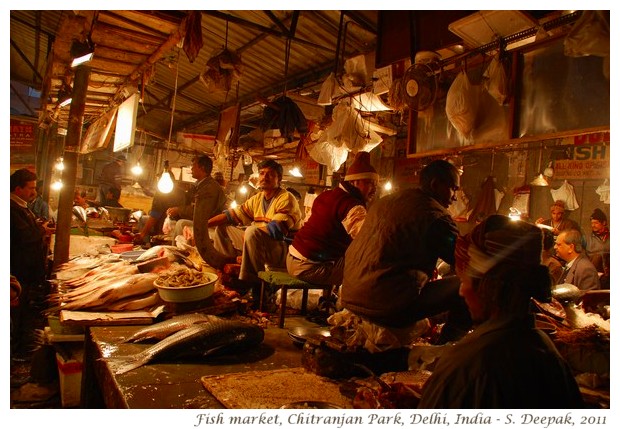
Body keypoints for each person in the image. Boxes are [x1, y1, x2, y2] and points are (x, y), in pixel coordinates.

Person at [419, 215, 585, 409]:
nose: (462, 291)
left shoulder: (464, 368)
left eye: (465, 281)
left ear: (489, 287)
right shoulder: (550, 355)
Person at [333, 159, 471, 350]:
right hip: (386, 307)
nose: (455, 196)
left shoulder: (387, 201)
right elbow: (465, 261)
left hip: (350, 297)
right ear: (435, 185)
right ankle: (447, 350)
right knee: (469, 286)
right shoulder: (434, 214)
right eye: (453, 188)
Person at [207, 159, 303, 300]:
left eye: (270, 174)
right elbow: (232, 215)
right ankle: (229, 270)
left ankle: (250, 283)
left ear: (279, 179)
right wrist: (204, 225)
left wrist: (250, 232)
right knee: (222, 229)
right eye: (262, 173)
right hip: (261, 244)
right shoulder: (257, 198)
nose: (265, 177)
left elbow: (277, 230)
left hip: (284, 251)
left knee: (252, 231)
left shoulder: (286, 198)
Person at [287, 151, 377, 289]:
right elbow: (366, 241)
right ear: (355, 182)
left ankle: (330, 300)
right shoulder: (352, 206)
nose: (374, 189)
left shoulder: (327, 195)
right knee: (367, 266)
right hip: (309, 268)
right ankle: (353, 307)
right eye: (370, 183)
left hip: (292, 260)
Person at [10, 168, 55, 360]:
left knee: (22, 313)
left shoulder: (21, 207)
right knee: (15, 314)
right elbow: (23, 236)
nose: (34, 192)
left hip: (26, 272)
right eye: (30, 188)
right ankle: (14, 352)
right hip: (18, 270)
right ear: (18, 188)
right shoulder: (11, 208)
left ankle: (18, 349)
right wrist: (41, 230)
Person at [167, 155, 232, 269]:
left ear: (201, 168)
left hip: (210, 224)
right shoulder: (201, 185)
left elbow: (202, 212)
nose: (191, 169)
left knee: (181, 223)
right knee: (174, 223)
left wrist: (179, 210)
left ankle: (176, 259)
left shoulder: (210, 187)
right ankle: (178, 255)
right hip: (202, 221)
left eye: (193, 166)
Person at [133, 171, 188, 245]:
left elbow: (155, 215)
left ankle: (144, 244)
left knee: (143, 219)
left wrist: (142, 234)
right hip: (180, 227)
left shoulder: (161, 192)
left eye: (158, 180)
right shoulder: (182, 192)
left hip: (164, 227)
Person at [584, 208, 610, 289]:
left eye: (596, 223)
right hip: (594, 277)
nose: (593, 225)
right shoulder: (586, 239)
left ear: (604, 223)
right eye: (592, 223)